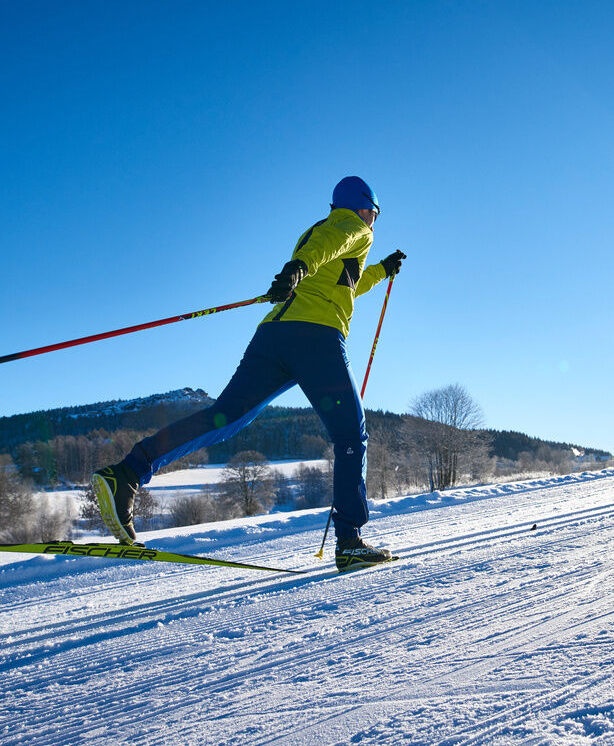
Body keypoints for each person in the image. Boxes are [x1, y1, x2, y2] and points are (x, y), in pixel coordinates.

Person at [92, 176, 406, 571]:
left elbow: (343, 283)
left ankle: (128, 472)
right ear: (363, 207)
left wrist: (379, 270)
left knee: (223, 417)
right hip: (316, 338)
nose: (373, 223)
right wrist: (298, 266)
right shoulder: (352, 226)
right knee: (350, 434)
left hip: (274, 335)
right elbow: (331, 248)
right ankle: (350, 539)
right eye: (374, 214)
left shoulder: (322, 232)